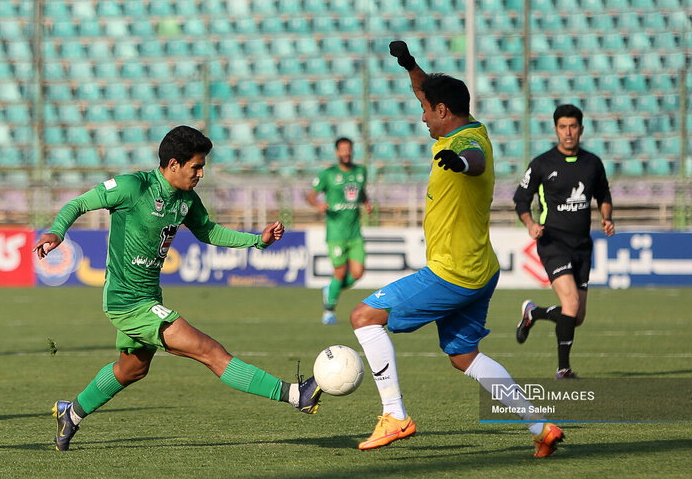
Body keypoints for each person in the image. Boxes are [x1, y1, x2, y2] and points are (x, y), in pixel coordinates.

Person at [34, 126, 322, 452]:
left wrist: (258, 240)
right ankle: (296, 395)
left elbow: (208, 231)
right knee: (210, 351)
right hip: (126, 302)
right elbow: (78, 204)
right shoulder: (133, 186)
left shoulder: (186, 199)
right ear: (173, 164)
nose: (201, 174)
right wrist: (57, 232)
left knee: (132, 369)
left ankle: (70, 414)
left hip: (149, 297)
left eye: (202, 167)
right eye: (196, 167)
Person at [348, 41, 564, 458]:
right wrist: (410, 64)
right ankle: (541, 427)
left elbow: (475, 160)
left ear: (444, 112)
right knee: (464, 356)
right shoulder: (472, 125)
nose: (423, 117)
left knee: (363, 317)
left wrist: (461, 165)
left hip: (453, 273)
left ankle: (395, 415)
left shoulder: (466, 145)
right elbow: (427, 92)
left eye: (427, 111)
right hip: (481, 269)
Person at [513, 104, 615, 379]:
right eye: (562, 127)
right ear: (555, 129)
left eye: (573, 127)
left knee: (577, 317)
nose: (568, 132)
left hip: (582, 245)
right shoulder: (542, 163)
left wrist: (607, 217)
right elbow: (521, 198)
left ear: (581, 129)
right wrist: (531, 224)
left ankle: (533, 314)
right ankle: (563, 369)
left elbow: (604, 194)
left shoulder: (592, 163)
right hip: (552, 242)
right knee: (570, 304)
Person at [306, 137, 372, 325]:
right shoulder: (328, 174)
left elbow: (361, 191)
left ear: (352, 151)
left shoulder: (361, 171)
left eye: (349, 149)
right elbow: (310, 196)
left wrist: (366, 202)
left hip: (355, 233)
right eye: (342, 149)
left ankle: (331, 289)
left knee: (358, 273)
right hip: (336, 233)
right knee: (340, 272)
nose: (346, 153)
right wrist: (318, 204)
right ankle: (329, 311)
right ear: (337, 152)